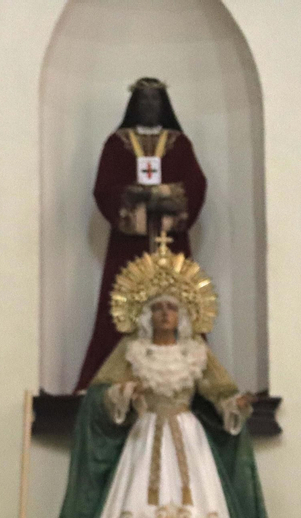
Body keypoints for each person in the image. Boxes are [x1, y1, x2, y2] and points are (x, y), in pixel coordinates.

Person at [30, 245, 301, 518]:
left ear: (183, 316)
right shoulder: (131, 351)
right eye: (159, 307)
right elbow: (99, 396)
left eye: (172, 308)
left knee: (200, 512)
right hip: (143, 441)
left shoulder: (197, 353)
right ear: (146, 314)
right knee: (137, 514)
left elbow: (221, 393)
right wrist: (126, 392)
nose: (165, 314)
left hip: (190, 444)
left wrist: (237, 405)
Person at [73, 78, 208, 392]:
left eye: (155, 101)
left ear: (164, 106)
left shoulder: (180, 144)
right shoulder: (117, 144)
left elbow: (196, 188)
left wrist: (155, 197)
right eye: (144, 101)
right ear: (134, 106)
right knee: (118, 311)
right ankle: (112, 384)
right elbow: (105, 189)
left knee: (180, 304)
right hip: (127, 248)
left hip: (171, 246)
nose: (150, 106)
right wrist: (146, 198)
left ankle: (189, 382)